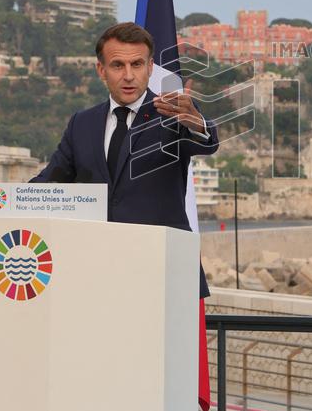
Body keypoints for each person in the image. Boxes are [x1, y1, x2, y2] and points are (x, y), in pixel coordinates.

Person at [30, 22, 218, 297]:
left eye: (137, 64)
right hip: (97, 274)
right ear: (101, 70)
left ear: (150, 67)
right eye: (118, 65)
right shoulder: (81, 124)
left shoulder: (175, 114)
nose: (129, 76)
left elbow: (207, 141)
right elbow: (49, 183)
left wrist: (198, 123)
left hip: (164, 272)